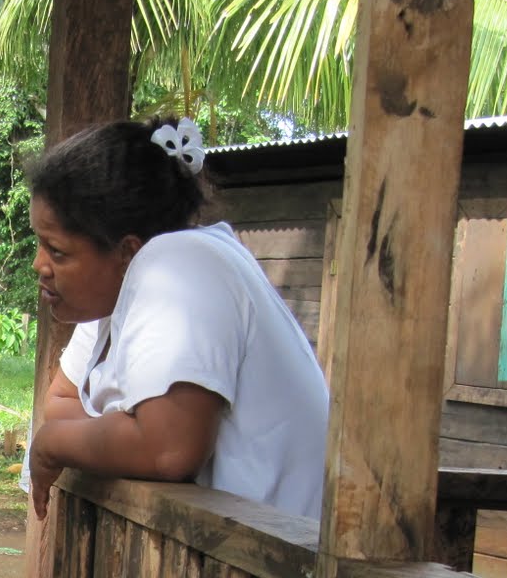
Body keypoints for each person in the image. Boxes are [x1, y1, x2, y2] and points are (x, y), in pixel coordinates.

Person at [24, 116, 330, 521]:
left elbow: (168, 450)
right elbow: (61, 402)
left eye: (57, 251)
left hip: (276, 553)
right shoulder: (116, 299)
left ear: (127, 252)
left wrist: (54, 443)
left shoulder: (178, 264)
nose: (39, 265)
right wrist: (122, 433)